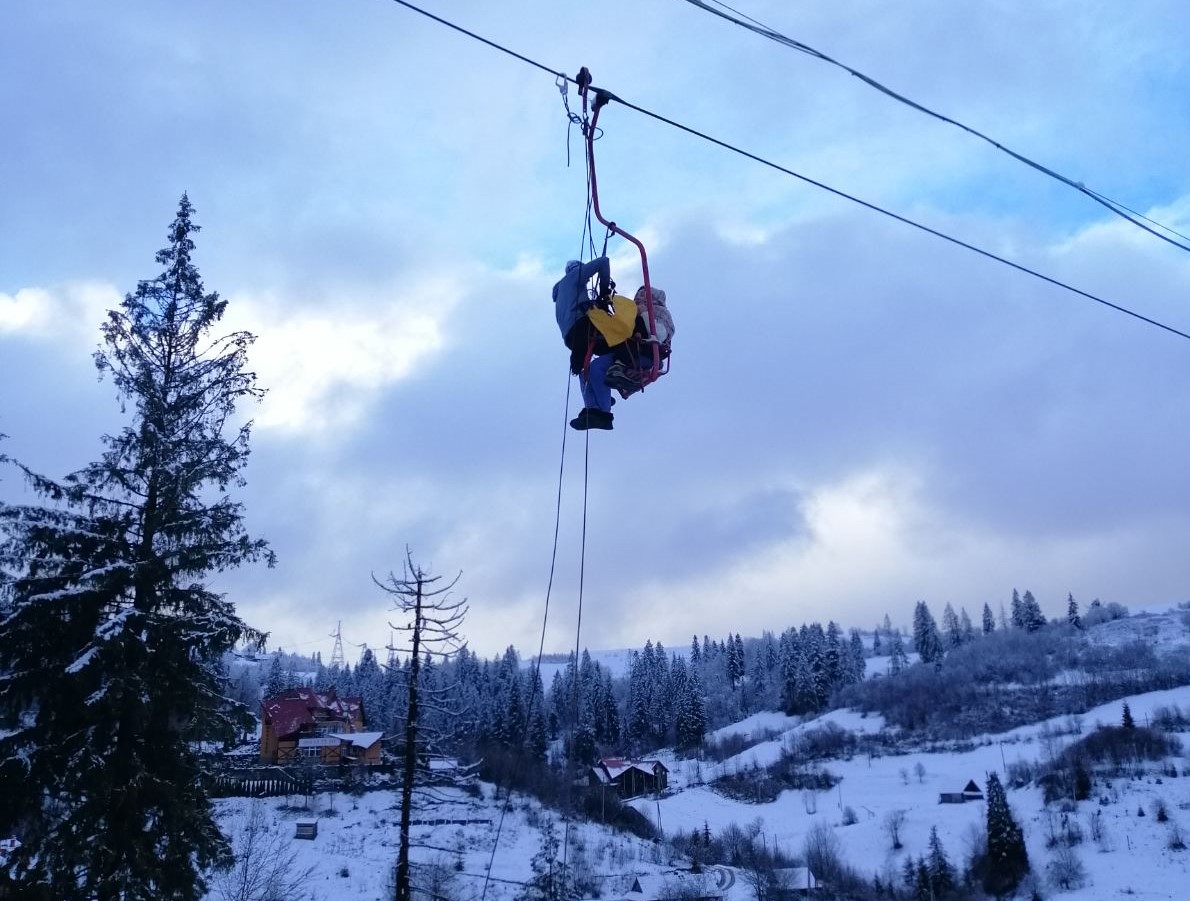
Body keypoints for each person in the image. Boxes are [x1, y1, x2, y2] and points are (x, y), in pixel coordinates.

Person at [552, 257, 615, 430]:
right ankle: (604, 409)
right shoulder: (574, 277)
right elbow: (604, 261)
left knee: (583, 369)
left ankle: (595, 403)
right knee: (620, 345)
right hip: (582, 327)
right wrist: (604, 294)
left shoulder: (560, 294)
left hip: (571, 337)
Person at [604, 285, 673, 397]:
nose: (638, 298)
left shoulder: (660, 312)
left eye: (643, 295)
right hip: (630, 346)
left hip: (648, 350)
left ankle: (620, 368)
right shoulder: (632, 311)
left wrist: (644, 313)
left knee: (636, 322)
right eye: (637, 295)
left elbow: (660, 334)